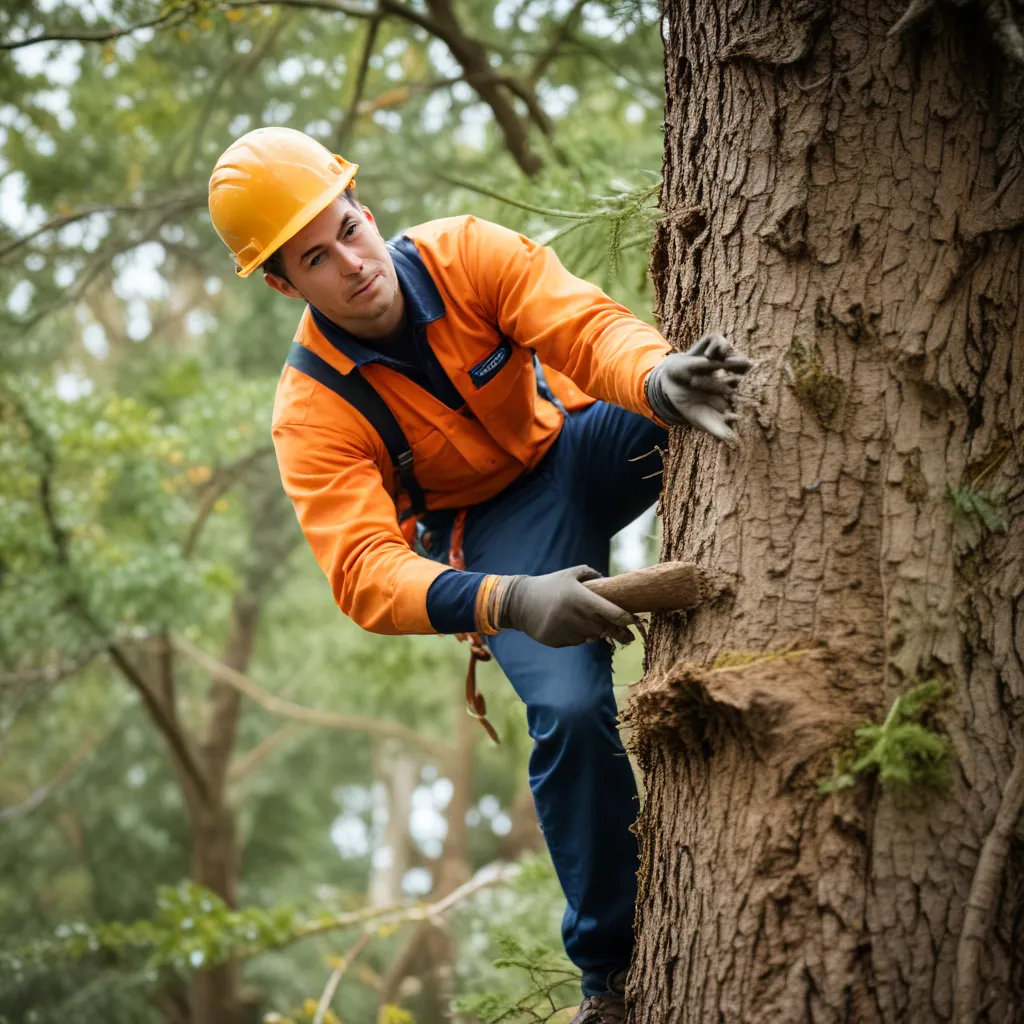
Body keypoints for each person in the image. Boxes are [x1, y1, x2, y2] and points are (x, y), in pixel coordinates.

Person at [209, 126, 749, 1022]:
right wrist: (510, 600)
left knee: (705, 393)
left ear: (365, 209)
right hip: (496, 541)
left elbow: (578, 324)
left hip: (579, 441)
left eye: (348, 228)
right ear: (283, 282)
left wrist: (653, 378)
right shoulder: (311, 411)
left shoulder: (463, 252)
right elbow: (364, 573)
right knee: (572, 713)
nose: (350, 261)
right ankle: (609, 977)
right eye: (314, 257)